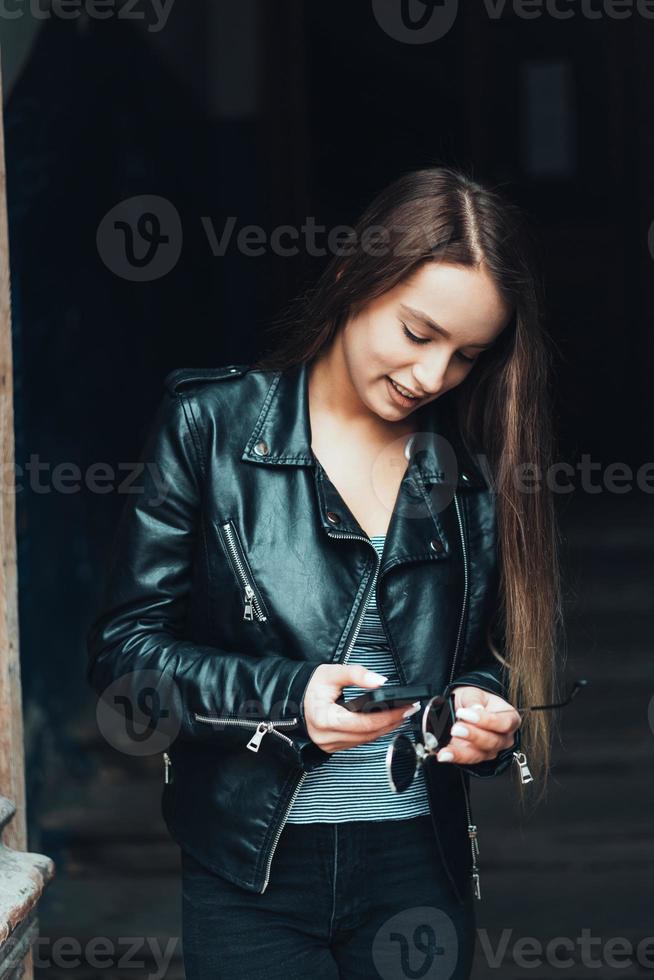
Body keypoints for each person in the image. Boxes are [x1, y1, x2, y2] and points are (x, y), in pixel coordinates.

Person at [86, 166, 562, 979]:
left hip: (417, 871)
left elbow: (476, 661)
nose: (432, 377)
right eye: (418, 333)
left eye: (465, 357)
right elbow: (123, 661)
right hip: (251, 871)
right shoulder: (208, 428)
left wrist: (486, 717)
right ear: (352, 275)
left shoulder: (465, 476)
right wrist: (286, 696)